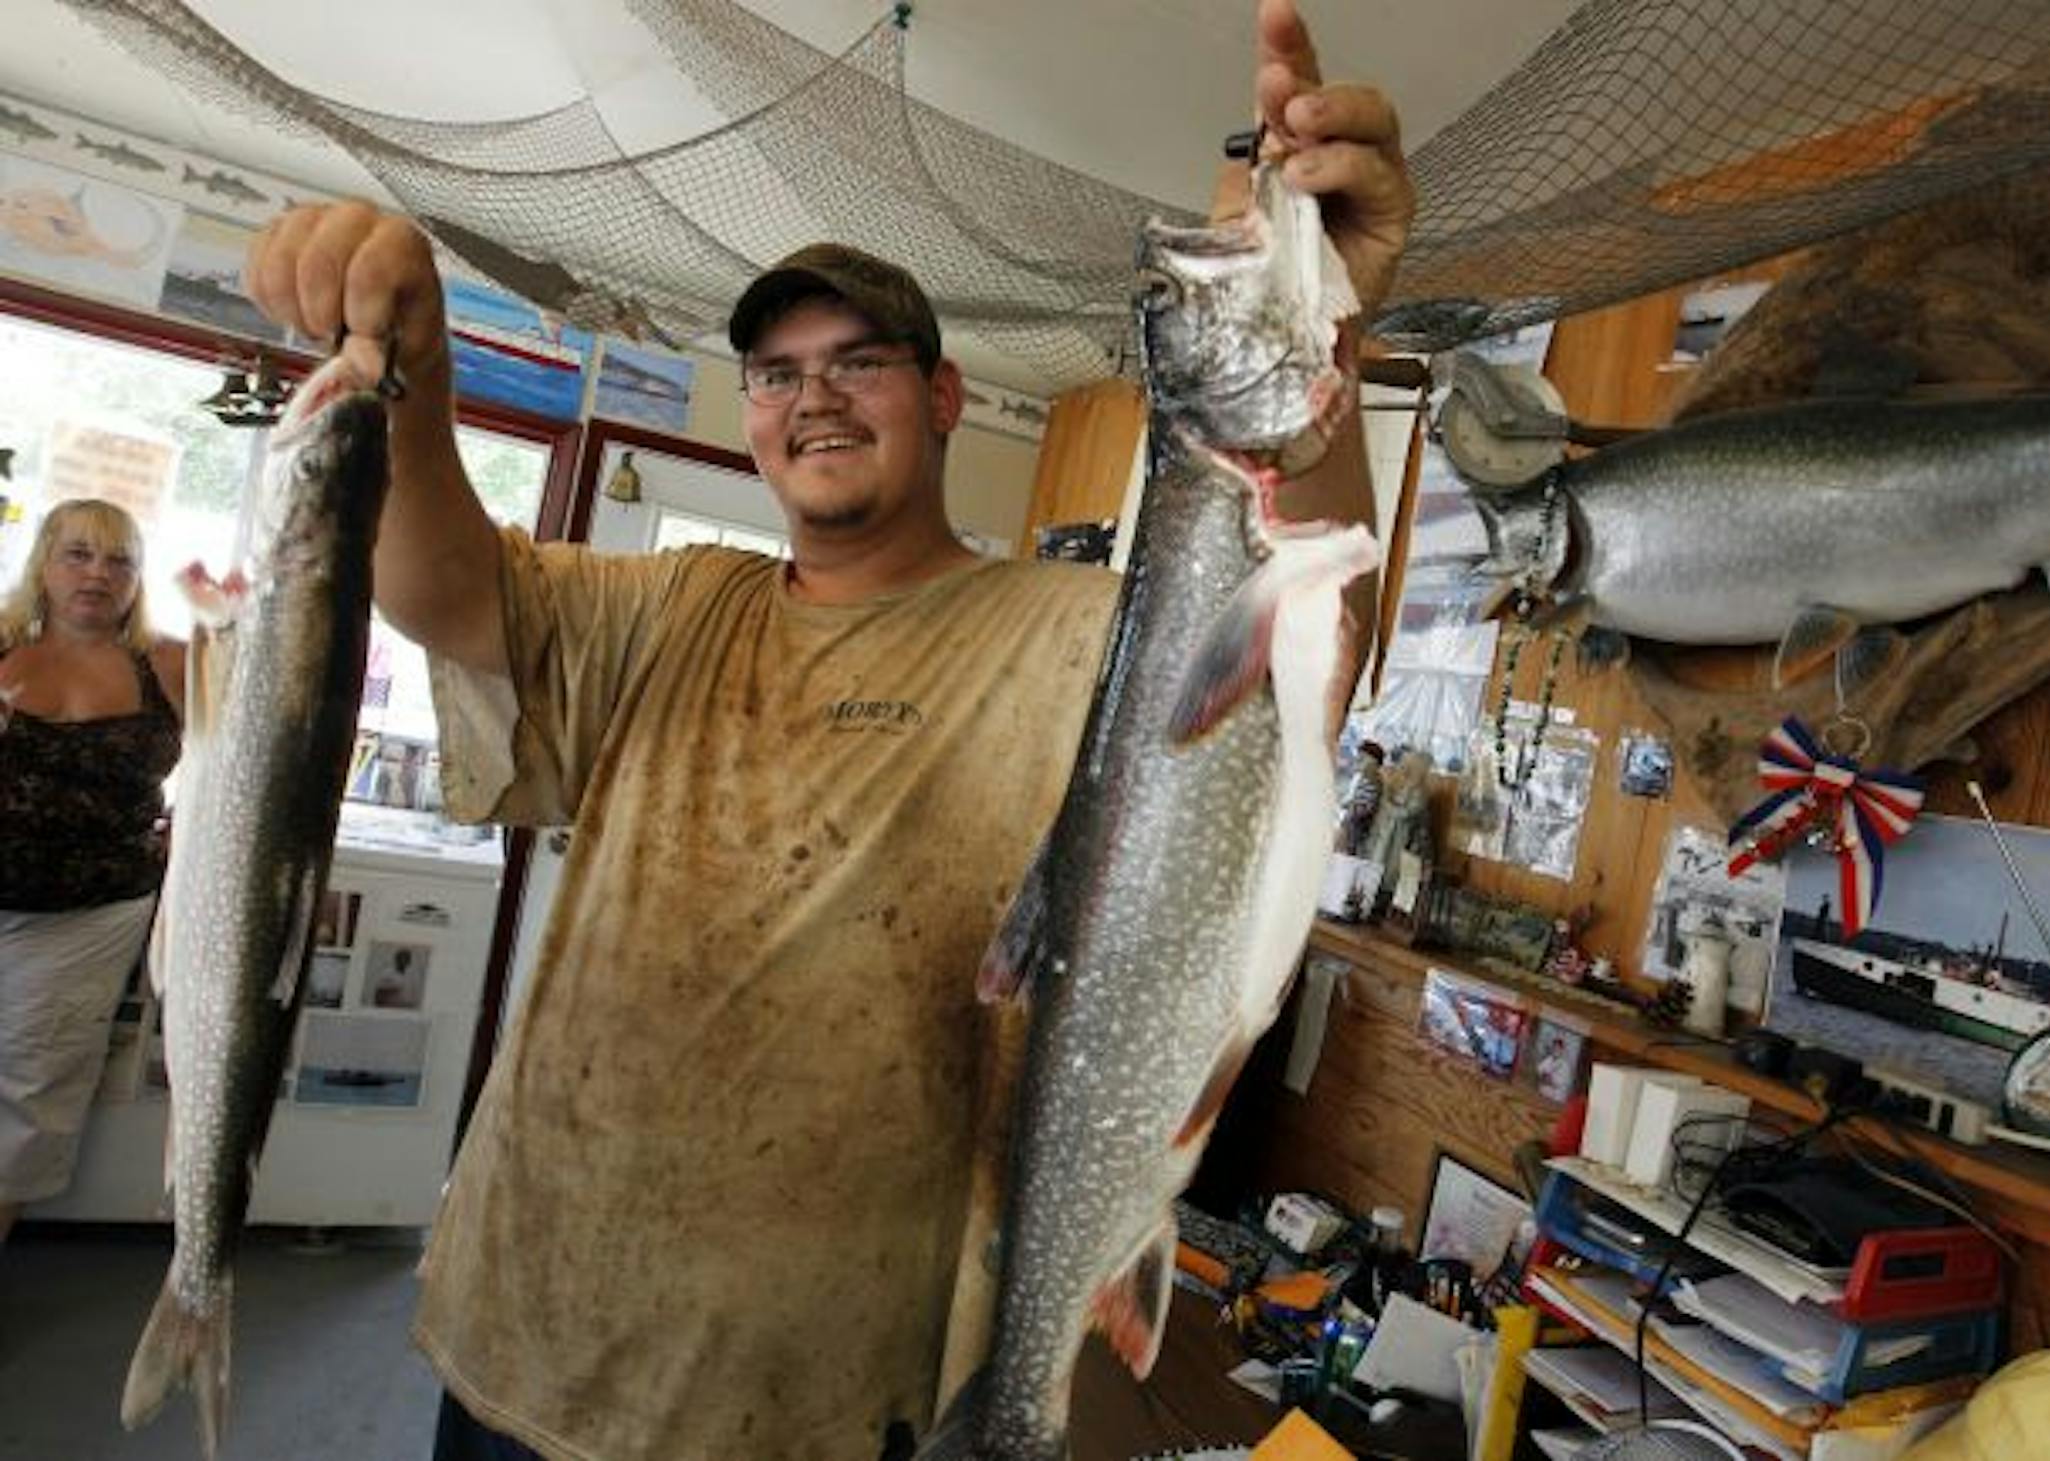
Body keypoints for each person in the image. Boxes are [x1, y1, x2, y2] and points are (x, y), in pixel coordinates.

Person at [243, 2, 1412, 1455]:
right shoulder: (667, 609)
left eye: (858, 361)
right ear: (752, 423)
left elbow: (1293, 642)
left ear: (942, 397)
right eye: (781, 374)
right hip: (527, 1337)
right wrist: (409, 367)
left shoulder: (1058, 632)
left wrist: (1327, 334)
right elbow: (439, 586)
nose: (815, 399)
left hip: (825, 1398)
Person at [0, 498, 185, 1244]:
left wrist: (193, 832)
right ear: (44, 562)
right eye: (78, 553)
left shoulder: (169, 662)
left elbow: (247, 763)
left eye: (120, 560)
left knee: (30, 1091)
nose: (97, 574)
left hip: (90, 913)